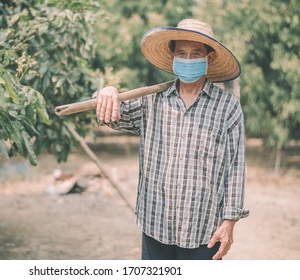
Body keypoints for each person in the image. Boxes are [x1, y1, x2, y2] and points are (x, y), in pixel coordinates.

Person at [95, 19, 249, 260]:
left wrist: (229, 223)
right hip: (156, 224)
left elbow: (235, 169)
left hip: (203, 230)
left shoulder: (228, 107)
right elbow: (111, 115)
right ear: (173, 56)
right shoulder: (152, 100)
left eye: (195, 54)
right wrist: (107, 91)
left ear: (208, 59)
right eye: (182, 53)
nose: (188, 60)